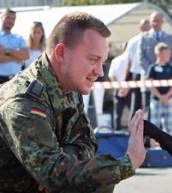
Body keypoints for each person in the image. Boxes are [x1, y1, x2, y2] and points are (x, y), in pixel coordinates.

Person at [0, 12, 145, 192]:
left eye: (103, 62)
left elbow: (87, 141)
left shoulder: (68, 84)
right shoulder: (22, 101)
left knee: (93, 183)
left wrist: (62, 162)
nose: (100, 72)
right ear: (61, 53)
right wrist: (128, 163)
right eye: (93, 59)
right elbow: (54, 174)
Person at [138, 11, 172, 118]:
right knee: (149, 115)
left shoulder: (170, 38)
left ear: (162, 21)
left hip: (167, 85)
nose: (155, 23)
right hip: (149, 84)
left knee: (166, 118)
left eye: (158, 20)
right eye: (153, 21)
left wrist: (167, 71)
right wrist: (153, 72)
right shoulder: (143, 37)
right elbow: (141, 58)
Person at [147, 43, 172, 136]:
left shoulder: (170, 68)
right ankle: (152, 146)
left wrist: (166, 97)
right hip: (156, 100)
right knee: (154, 125)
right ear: (159, 53)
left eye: (169, 53)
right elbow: (150, 84)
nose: (169, 56)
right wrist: (160, 97)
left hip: (168, 100)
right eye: (166, 53)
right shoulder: (152, 68)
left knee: (168, 125)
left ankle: (169, 147)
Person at [127, 19, 150, 119]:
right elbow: (129, 60)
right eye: (145, 26)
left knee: (146, 102)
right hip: (137, 73)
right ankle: (133, 127)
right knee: (136, 102)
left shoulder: (150, 39)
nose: (147, 28)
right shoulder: (133, 41)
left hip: (147, 73)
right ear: (140, 27)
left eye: (148, 26)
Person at [0, 8, 29, 84]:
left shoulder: (19, 38)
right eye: (8, 18)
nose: (10, 21)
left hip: (16, 80)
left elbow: (26, 55)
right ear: (1, 17)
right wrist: (17, 56)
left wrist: (6, 51)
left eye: (13, 19)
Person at [108, 43, 131, 131]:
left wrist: (119, 88)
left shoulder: (115, 60)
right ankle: (132, 133)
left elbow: (111, 76)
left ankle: (116, 133)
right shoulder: (131, 60)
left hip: (118, 90)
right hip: (129, 90)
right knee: (134, 114)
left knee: (117, 114)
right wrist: (126, 88)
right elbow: (132, 75)